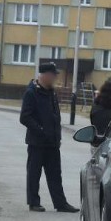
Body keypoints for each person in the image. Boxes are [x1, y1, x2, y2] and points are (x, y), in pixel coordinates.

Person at [20, 62, 79, 213]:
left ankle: (60, 203)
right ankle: (34, 202)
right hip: (37, 142)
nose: (54, 78)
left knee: (55, 174)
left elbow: (55, 116)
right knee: (34, 173)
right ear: (44, 75)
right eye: (53, 75)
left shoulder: (51, 93)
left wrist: (56, 136)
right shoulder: (32, 93)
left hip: (52, 143)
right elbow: (25, 117)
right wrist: (40, 130)